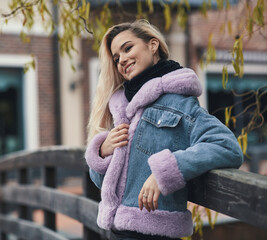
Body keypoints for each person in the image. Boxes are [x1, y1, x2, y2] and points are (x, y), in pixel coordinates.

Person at [85, 19, 243, 240]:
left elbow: (227, 147)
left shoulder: (179, 102)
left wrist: (164, 172)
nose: (121, 60)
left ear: (153, 45)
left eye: (128, 48)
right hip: (116, 232)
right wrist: (103, 151)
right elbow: (102, 183)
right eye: (116, 58)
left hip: (154, 233)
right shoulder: (124, 109)